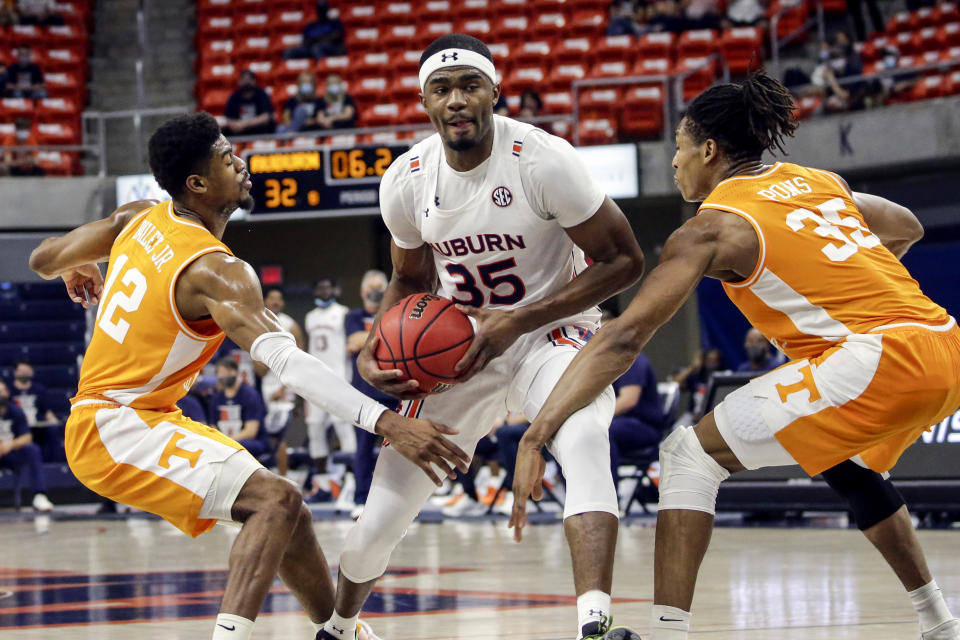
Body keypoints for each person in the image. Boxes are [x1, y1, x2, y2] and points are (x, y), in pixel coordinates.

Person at [511, 72, 960, 640]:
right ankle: (939, 623)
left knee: (686, 456)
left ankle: (669, 634)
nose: (674, 162)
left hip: (878, 359)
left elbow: (624, 338)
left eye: (678, 146)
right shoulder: (820, 181)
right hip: (944, 343)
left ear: (709, 150)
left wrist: (537, 431)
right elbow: (907, 226)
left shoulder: (711, 228)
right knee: (851, 468)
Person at [28, 111, 469, 640]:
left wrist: (73, 266)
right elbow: (289, 363)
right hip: (115, 425)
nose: (241, 162)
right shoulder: (217, 271)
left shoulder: (138, 218)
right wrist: (387, 422)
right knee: (273, 501)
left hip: (137, 416)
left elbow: (41, 256)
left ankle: (339, 631)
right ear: (197, 183)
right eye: (226, 157)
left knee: (291, 510)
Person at [318, 34, 646, 640]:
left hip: (554, 333)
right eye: (441, 89)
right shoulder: (406, 180)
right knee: (382, 513)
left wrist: (517, 320)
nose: (457, 100)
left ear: (495, 91)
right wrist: (371, 345)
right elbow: (409, 278)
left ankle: (595, 624)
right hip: (459, 347)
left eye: (470, 85)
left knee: (586, 437)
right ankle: (341, 627)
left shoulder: (544, 160)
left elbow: (624, 261)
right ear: (424, 102)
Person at [344, 270, 397, 519]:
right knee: (363, 448)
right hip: (362, 392)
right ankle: (360, 499)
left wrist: (369, 341)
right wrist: (386, 338)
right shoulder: (352, 316)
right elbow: (354, 339)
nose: (376, 292)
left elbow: (362, 342)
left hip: (392, 388)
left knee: (399, 449)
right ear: (363, 292)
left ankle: (397, 501)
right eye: (372, 288)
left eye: (380, 287)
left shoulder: (392, 313)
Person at [304, 276, 354, 499]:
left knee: (343, 428)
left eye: (327, 286)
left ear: (335, 289)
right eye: (320, 287)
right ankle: (322, 483)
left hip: (339, 379)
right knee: (315, 429)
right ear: (315, 291)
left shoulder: (344, 313)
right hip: (316, 380)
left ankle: (350, 479)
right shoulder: (310, 317)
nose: (324, 291)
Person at [253, 286, 305, 476]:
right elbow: (258, 368)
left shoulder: (290, 324)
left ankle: (285, 476)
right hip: (262, 387)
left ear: (282, 302)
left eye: (279, 298)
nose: (275, 301)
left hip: (284, 387)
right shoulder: (257, 323)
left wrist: (285, 387)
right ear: (265, 301)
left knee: (279, 435)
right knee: (265, 434)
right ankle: (268, 475)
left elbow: (299, 359)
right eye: (272, 298)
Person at [609, 351, 664, 488]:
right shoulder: (603, 361)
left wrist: (595, 417)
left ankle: (608, 501)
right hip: (621, 423)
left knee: (602, 431)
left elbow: (628, 400)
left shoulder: (632, 359)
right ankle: (573, 499)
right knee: (566, 432)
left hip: (644, 426)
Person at [0, 380, 54, 512]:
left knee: (33, 449)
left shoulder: (15, 411)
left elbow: (27, 437)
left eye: (1, 391)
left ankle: (39, 496)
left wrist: (10, 444)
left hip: (11, 453)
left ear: (7, 393)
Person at [209, 358, 268, 458]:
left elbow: (251, 431)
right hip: (225, 440)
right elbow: (213, 426)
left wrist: (229, 441)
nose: (223, 376)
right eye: (221, 373)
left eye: (227, 372)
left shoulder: (250, 395)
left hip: (248, 441)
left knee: (239, 447)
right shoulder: (217, 398)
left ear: (235, 372)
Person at [223, 70, 276, 137]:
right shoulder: (234, 96)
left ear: (254, 81)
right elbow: (229, 118)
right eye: (244, 79)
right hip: (240, 130)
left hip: (258, 129)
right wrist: (235, 125)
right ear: (240, 81)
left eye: (249, 79)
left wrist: (244, 124)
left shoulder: (261, 94)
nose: (246, 82)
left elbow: (265, 117)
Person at [8, 359, 58, 426]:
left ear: (32, 372)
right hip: (16, 426)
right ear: (15, 372)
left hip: (36, 425)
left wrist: (54, 422)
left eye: (26, 371)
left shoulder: (39, 390)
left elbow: (47, 411)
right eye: (22, 371)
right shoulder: (8, 391)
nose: (24, 373)